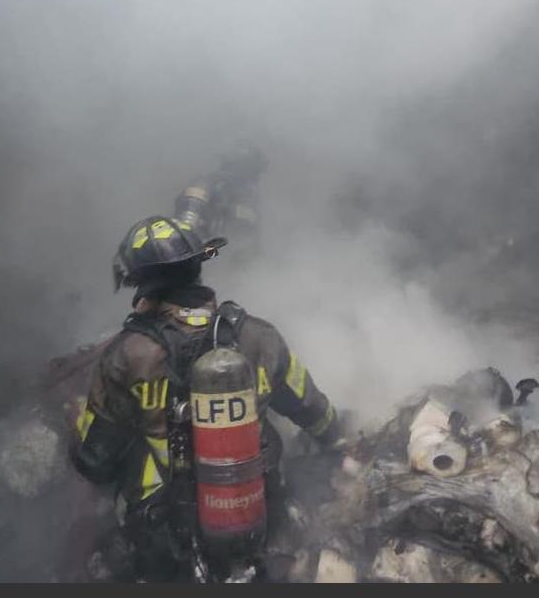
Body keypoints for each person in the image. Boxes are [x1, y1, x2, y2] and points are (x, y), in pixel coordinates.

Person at [70, 215, 343, 581]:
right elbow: (314, 411)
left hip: (166, 534)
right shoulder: (259, 337)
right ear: (198, 270)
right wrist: (336, 438)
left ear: (142, 286)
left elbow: (94, 460)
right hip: (260, 515)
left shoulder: (127, 356)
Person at [173, 142, 268, 258]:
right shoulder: (209, 184)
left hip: (226, 259)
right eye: (252, 171)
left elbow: (250, 238)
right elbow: (188, 215)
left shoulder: (248, 199)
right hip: (195, 251)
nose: (254, 178)